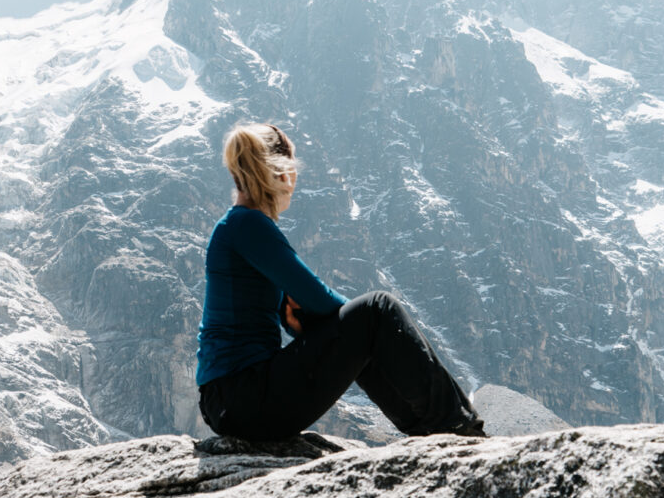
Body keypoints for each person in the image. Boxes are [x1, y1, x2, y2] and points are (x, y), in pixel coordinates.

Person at [196, 121, 486, 441]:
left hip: (234, 401)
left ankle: (430, 428)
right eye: (291, 169)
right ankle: (456, 424)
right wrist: (361, 324)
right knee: (378, 310)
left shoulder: (238, 227)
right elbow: (316, 299)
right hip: (242, 397)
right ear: (278, 172)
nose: (294, 181)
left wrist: (334, 327)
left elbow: (296, 318)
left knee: (363, 333)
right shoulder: (248, 225)